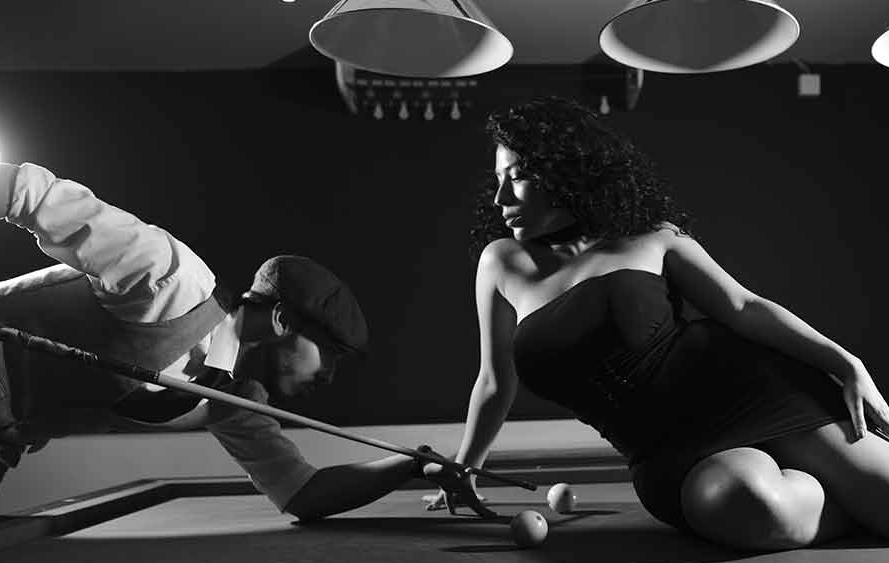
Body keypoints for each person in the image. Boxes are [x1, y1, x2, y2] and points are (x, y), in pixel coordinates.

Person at [424, 96, 889, 551]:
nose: (501, 197)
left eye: (517, 177)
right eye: (498, 179)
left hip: (762, 394)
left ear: (565, 173)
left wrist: (847, 364)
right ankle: (851, 506)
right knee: (754, 507)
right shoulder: (502, 262)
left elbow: (744, 307)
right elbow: (494, 381)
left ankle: (853, 494)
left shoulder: (653, 238)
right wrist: (465, 468)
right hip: (669, 456)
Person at [0, 161, 489, 521]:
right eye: (329, 355)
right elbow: (26, 191)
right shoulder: (168, 277)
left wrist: (408, 465)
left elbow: (302, 493)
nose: (329, 376)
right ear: (282, 321)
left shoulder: (233, 400)